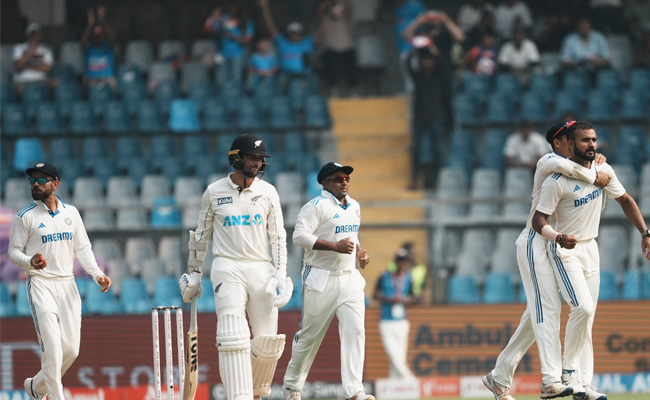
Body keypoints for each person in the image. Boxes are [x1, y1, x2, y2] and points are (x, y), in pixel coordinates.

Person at [482, 122, 611, 400]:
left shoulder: (571, 167)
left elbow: (584, 173)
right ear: (559, 143)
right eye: (569, 139)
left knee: (534, 317)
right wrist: (595, 173)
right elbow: (577, 171)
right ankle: (552, 379)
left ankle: (499, 376)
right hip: (535, 242)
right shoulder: (548, 161)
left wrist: (596, 166)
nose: (577, 143)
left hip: (556, 244)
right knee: (548, 310)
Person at [532, 121, 650, 400]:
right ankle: (568, 371)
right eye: (585, 140)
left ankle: (584, 385)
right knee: (582, 308)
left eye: (594, 139)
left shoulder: (604, 170)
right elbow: (538, 220)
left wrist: (645, 232)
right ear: (570, 145)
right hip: (564, 250)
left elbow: (625, 200)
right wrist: (558, 237)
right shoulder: (556, 181)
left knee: (587, 317)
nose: (592, 145)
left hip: (590, 248)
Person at [178, 134, 293, 400]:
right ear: (236, 158)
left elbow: (278, 237)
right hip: (227, 267)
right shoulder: (214, 191)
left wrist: (281, 273)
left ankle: (254, 392)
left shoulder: (268, 192)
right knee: (233, 334)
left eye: (260, 159)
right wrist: (195, 272)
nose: (257, 163)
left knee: (268, 343)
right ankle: (238, 396)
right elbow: (201, 235)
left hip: (260, 267)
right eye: (252, 158)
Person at [8, 162, 112, 400]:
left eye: (41, 180)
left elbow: (83, 249)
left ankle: (35, 387)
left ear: (55, 184)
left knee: (71, 350)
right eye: (32, 180)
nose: (35, 184)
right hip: (41, 284)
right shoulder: (25, 217)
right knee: (53, 352)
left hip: (68, 285)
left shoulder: (71, 213)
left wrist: (97, 274)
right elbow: (13, 252)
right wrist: (30, 261)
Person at [283, 162, 372, 400]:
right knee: (310, 336)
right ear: (324, 182)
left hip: (349, 277)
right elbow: (299, 236)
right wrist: (335, 247)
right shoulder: (315, 206)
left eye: (346, 178)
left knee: (355, 331)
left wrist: (360, 253)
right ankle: (292, 386)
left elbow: (352, 236)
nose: (344, 182)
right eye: (338, 178)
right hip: (320, 276)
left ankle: (354, 391)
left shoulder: (354, 205)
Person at [259, 0, 326, 82]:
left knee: (310, 81)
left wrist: (330, 17)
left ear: (301, 35)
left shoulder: (306, 43)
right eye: (292, 34)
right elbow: (270, 26)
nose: (294, 36)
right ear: (288, 34)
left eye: (297, 34)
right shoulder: (282, 42)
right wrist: (264, 8)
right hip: (285, 75)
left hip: (303, 75)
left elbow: (321, 32)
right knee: (280, 80)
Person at [374, 248, 416, 379]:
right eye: (401, 261)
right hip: (386, 319)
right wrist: (390, 299)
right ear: (396, 261)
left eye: (406, 262)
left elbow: (413, 297)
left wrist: (403, 300)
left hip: (402, 320)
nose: (403, 264)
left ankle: (393, 384)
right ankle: (409, 379)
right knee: (392, 352)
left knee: (400, 354)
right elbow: (375, 294)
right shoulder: (384, 275)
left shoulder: (408, 278)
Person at [406, 48, 445, 190]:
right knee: (416, 149)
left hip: (435, 116)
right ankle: (415, 180)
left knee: (437, 150)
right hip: (419, 117)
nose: (427, 63)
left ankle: (439, 180)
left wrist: (434, 52)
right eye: (424, 61)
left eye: (429, 61)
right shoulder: (417, 76)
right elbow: (408, 65)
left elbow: (442, 63)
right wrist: (415, 51)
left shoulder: (438, 75)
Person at [318, 0, 357, 96]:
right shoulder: (326, 18)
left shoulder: (345, 18)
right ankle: (333, 88)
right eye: (334, 8)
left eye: (338, 7)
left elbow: (351, 8)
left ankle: (352, 88)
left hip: (346, 48)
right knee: (330, 63)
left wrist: (344, 2)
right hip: (331, 49)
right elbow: (320, 10)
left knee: (352, 63)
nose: (336, 9)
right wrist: (329, 2)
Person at [12, 23, 54, 99]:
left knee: (57, 83)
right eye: (31, 35)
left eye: (36, 35)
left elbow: (47, 68)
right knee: (19, 89)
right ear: (27, 36)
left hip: (41, 81)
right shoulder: (19, 48)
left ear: (39, 36)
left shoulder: (46, 50)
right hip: (23, 81)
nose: (34, 37)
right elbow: (18, 66)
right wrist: (30, 52)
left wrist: (27, 67)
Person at [216, 3, 254, 84]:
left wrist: (232, 37)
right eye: (231, 8)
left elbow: (247, 40)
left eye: (234, 8)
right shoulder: (227, 18)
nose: (232, 10)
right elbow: (221, 31)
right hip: (223, 52)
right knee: (221, 79)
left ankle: (235, 95)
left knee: (236, 78)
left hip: (237, 54)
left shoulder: (246, 21)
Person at [81, 6, 117, 90]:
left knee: (114, 83)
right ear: (92, 36)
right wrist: (90, 25)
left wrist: (103, 21)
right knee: (84, 83)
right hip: (91, 79)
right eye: (95, 36)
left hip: (107, 78)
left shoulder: (108, 46)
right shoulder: (88, 47)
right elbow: (83, 42)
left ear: (103, 36)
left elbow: (113, 38)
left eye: (100, 35)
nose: (97, 37)